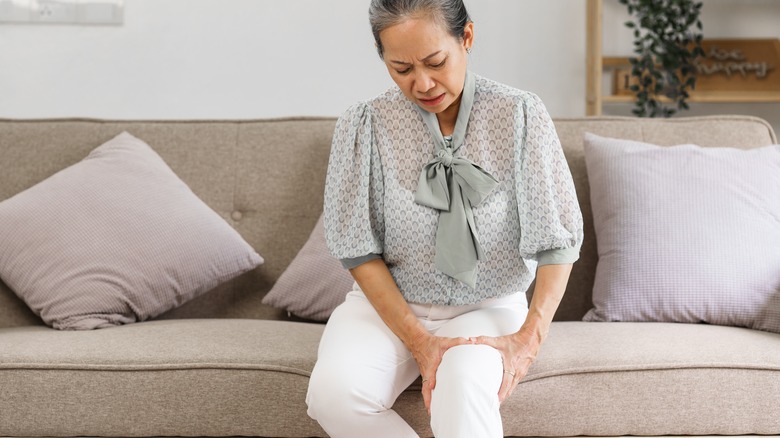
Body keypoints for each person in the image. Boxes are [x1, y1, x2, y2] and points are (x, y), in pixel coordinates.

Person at [306, 0, 583, 436]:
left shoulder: (519, 114)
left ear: (466, 38)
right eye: (402, 69)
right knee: (334, 395)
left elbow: (558, 241)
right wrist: (419, 341)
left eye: (436, 62)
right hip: (385, 309)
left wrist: (529, 338)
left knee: (463, 389)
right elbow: (357, 249)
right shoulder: (365, 125)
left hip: (487, 303)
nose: (423, 83)